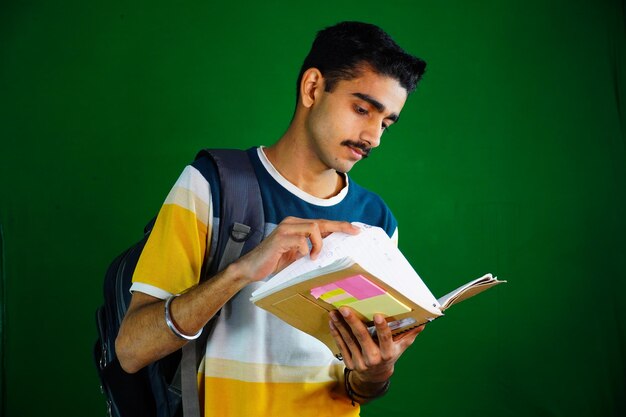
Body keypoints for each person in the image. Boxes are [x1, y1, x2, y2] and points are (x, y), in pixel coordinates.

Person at [116, 21, 427, 417]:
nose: (373, 137)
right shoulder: (211, 185)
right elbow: (130, 351)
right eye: (362, 109)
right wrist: (240, 272)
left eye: (385, 123)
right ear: (313, 88)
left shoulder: (375, 223)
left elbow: (355, 385)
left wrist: (376, 372)